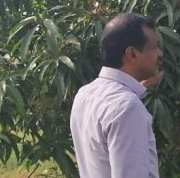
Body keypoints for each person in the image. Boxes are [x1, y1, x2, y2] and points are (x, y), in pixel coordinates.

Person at [70, 13, 165, 178]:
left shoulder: (84, 94)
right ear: (132, 54)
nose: (160, 53)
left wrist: (138, 87)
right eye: (154, 47)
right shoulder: (127, 108)